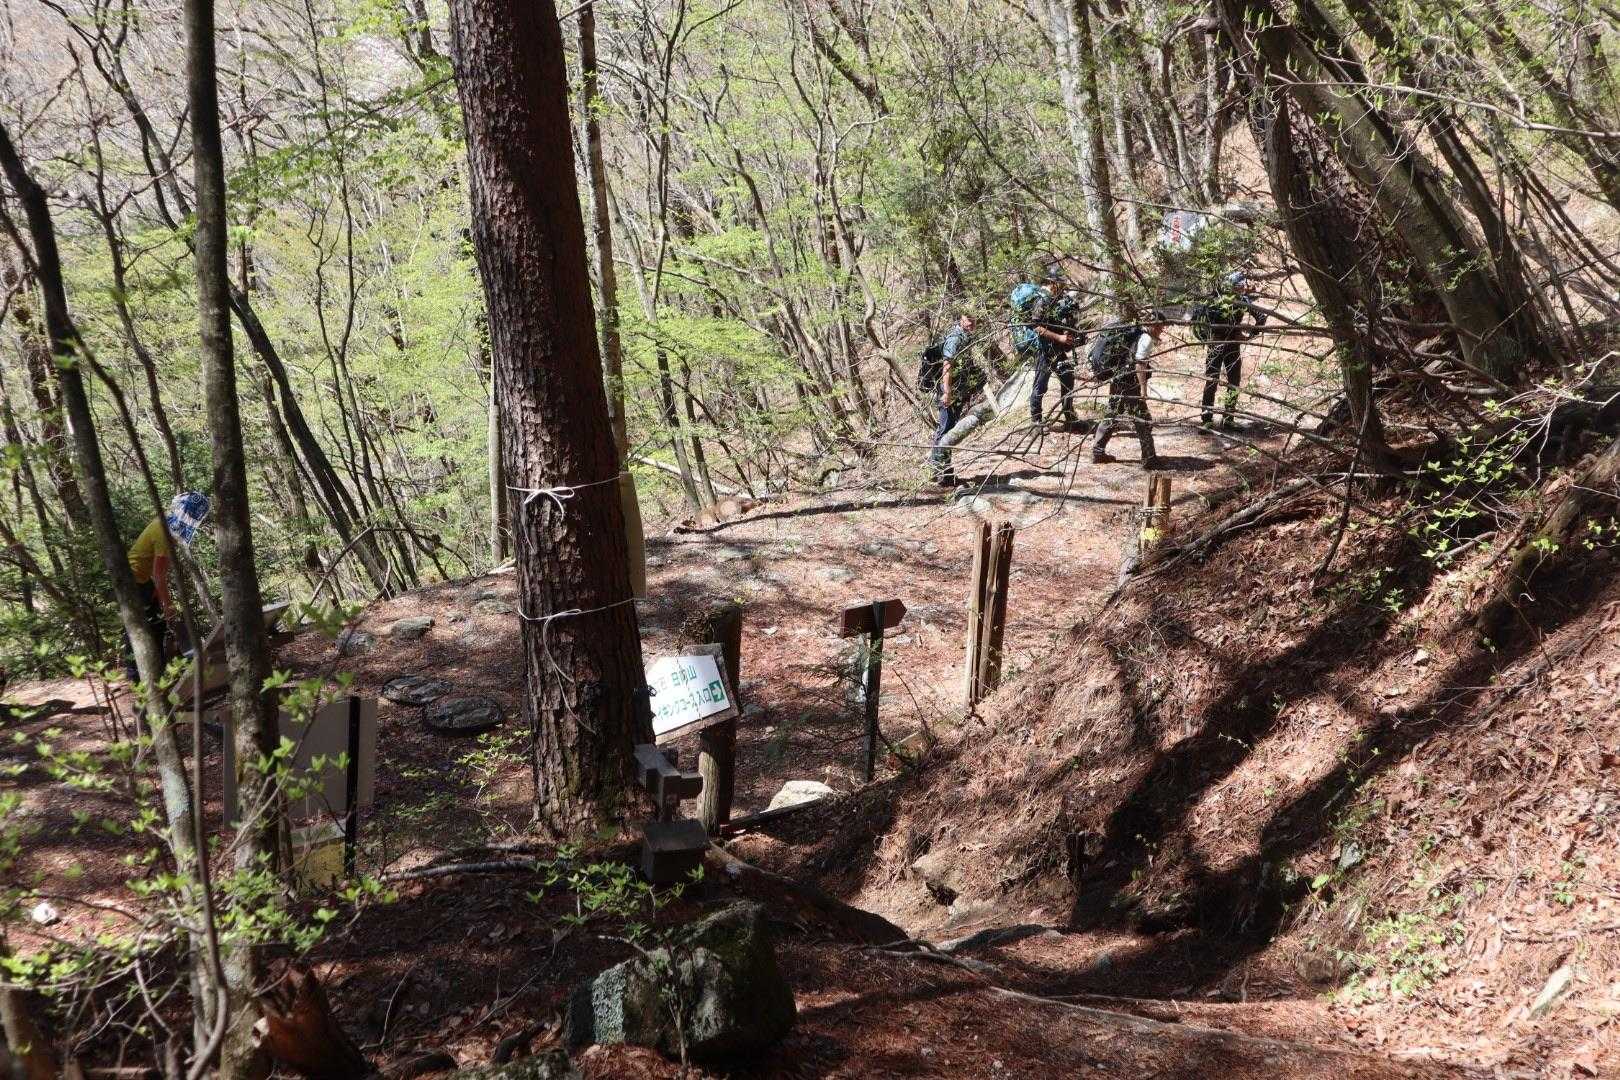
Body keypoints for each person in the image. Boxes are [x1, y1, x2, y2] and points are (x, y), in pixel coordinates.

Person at [124, 492, 210, 683]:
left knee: (158, 624)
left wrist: (159, 593)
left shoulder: (166, 527)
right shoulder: (163, 531)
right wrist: (168, 606)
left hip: (142, 579)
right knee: (141, 625)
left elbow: (159, 572)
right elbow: (159, 575)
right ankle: (136, 676)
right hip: (132, 580)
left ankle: (158, 672)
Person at [1087, 316, 1165, 469]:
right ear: (1152, 325)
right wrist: (1143, 390)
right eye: (1159, 327)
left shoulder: (1135, 333)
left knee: (1112, 413)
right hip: (1130, 383)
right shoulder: (1145, 338)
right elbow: (1140, 364)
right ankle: (1149, 458)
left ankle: (1098, 451)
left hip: (1118, 379)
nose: (1161, 331)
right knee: (1142, 419)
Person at [1193, 271, 1267, 429]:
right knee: (1222, 381)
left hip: (1222, 344)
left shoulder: (1225, 299)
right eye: (1239, 286)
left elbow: (1261, 317)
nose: (1242, 289)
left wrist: (1249, 335)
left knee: (1223, 381)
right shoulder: (1229, 300)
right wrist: (1250, 335)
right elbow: (1261, 317)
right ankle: (1214, 419)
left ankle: (1218, 419)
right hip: (1224, 344)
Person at [1010, 270, 1078, 428]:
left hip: (1055, 348)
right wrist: (1059, 337)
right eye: (1061, 283)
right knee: (1040, 386)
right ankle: (1036, 421)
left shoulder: (1053, 298)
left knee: (1068, 378)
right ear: (1053, 283)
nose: (1064, 287)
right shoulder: (1042, 300)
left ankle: (1069, 417)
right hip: (1043, 351)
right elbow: (1036, 326)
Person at [929, 313, 977, 486]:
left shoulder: (965, 337)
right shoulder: (955, 339)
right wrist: (947, 392)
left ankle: (945, 473)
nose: (972, 323)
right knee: (945, 431)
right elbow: (947, 367)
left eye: (974, 319)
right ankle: (940, 473)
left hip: (956, 391)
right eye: (968, 319)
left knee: (948, 430)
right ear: (961, 320)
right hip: (948, 392)